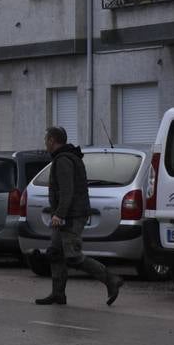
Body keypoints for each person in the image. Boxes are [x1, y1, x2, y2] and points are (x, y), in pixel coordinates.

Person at [37, 126, 123, 307]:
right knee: (55, 252)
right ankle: (58, 294)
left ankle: (111, 279)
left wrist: (59, 214)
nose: (45, 143)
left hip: (71, 216)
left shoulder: (64, 160)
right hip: (68, 214)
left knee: (72, 255)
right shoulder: (66, 158)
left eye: (46, 139)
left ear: (52, 140)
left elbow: (67, 191)